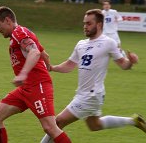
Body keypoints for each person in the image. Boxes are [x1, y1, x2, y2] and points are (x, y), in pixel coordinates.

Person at [41, 9, 146, 143]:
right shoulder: (81, 44)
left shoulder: (108, 43)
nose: (85, 26)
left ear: (99, 25)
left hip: (91, 95)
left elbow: (123, 65)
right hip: (84, 93)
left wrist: (131, 62)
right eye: (84, 23)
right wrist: (52, 68)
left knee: (57, 122)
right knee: (94, 125)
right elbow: (69, 65)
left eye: (89, 23)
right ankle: (134, 121)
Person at [0, 6, 72, 143]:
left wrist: (23, 74)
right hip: (25, 88)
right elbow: (44, 53)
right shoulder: (22, 33)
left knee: (50, 127)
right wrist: (48, 66)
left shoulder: (18, 32)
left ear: (8, 20)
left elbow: (35, 52)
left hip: (38, 86)